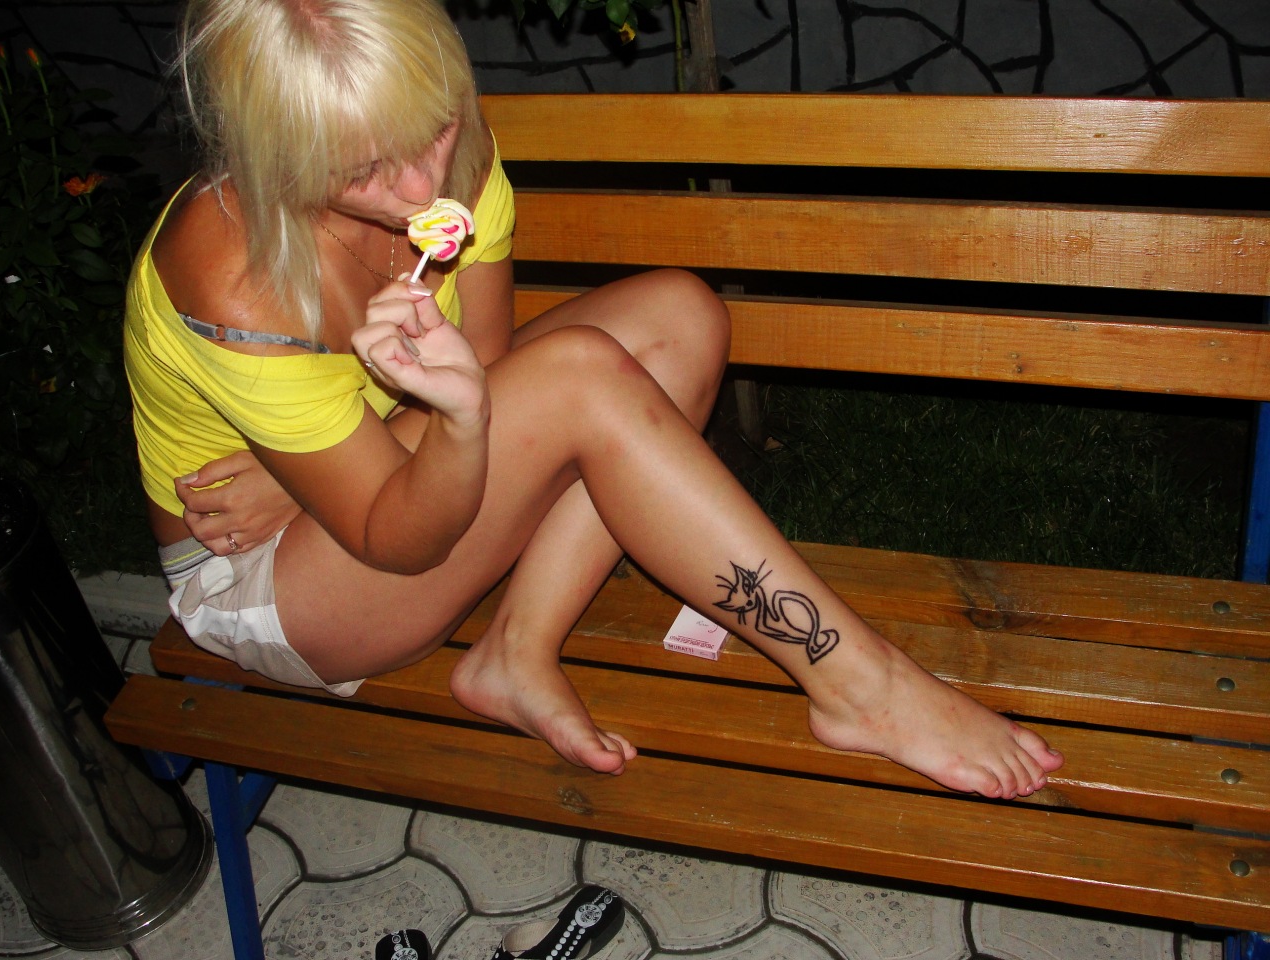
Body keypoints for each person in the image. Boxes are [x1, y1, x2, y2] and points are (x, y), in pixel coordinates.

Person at [124, 0, 1064, 799]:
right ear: (277, 157)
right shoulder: (235, 278)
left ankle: (516, 653)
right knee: (579, 376)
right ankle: (861, 684)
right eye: (363, 170)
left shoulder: (448, 150)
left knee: (680, 318)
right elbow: (400, 537)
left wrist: (325, 461)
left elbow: (487, 365)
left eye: (430, 128)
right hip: (266, 578)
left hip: (373, 492)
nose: (421, 187)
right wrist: (365, 463)